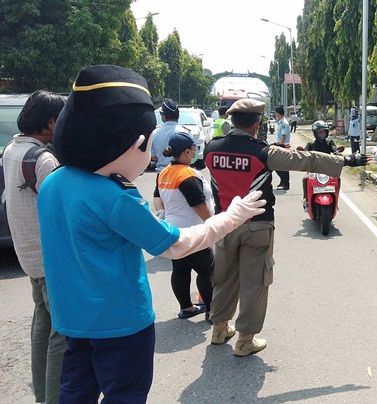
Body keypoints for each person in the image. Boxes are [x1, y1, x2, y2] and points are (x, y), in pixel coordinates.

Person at [38, 65, 266, 403]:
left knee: (75, 392)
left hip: (72, 319)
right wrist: (231, 217)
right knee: (125, 395)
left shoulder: (53, 182)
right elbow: (177, 244)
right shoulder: (115, 197)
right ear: (137, 142)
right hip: (121, 324)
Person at [204, 98, 367, 356]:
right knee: (254, 283)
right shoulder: (263, 152)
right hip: (256, 226)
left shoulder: (211, 149)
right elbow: (306, 160)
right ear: (257, 124)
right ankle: (245, 340)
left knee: (224, 278)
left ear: (231, 121)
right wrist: (346, 162)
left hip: (223, 224)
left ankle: (220, 328)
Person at [3, 90, 66, 404]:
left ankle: (42, 395)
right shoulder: (43, 159)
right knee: (63, 335)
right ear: (51, 121)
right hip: (50, 260)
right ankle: (54, 398)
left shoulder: (13, 148)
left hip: (28, 256)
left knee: (42, 323)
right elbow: (63, 210)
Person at [156, 133, 216, 321]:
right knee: (208, 270)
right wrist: (214, 224)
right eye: (194, 149)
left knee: (180, 269)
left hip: (174, 231)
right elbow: (198, 205)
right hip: (193, 232)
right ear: (187, 151)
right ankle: (211, 311)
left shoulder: (164, 173)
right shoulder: (187, 175)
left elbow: (158, 201)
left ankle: (187, 308)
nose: (195, 152)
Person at [151, 98, 192, 173]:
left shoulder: (155, 133)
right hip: (181, 175)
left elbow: (153, 157)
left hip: (162, 175)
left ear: (163, 115)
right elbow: (192, 156)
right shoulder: (186, 132)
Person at [273, 105, 291, 190]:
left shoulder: (283, 122)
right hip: (280, 145)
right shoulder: (280, 121)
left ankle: (285, 184)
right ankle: (283, 181)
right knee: (278, 166)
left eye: (275, 112)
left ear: (277, 113)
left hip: (283, 146)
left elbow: (284, 135)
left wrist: (280, 146)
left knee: (281, 166)